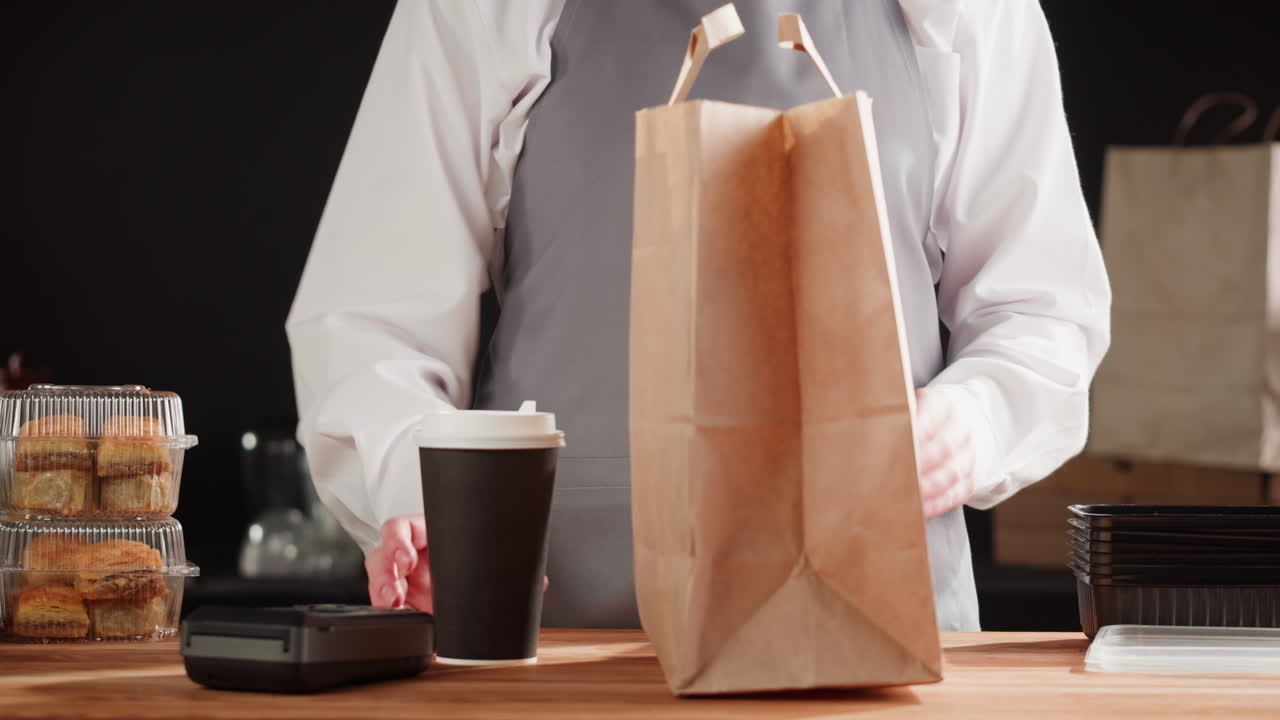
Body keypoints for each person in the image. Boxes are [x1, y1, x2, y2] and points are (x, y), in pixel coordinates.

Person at [287, 0, 1111, 631]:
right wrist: (431, 503)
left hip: (876, 639)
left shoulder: (972, 13)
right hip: (555, 644)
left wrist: (967, 428)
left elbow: (1043, 311)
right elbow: (371, 323)